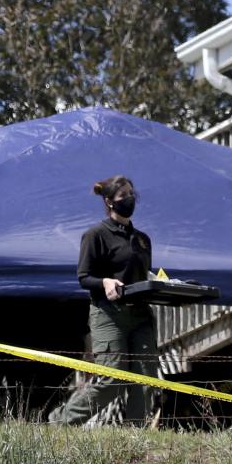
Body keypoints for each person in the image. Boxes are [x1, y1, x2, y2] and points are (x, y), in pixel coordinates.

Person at [49, 175, 159, 426]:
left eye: (132, 194)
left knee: (146, 378)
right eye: (123, 196)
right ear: (109, 202)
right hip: (109, 314)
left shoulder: (143, 240)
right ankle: (60, 421)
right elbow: (84, 277)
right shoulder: (95, 235)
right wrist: (105, 282)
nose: (129, 199)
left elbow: (142, 274)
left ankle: (134, 435)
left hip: (141, 315)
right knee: (113, 379)